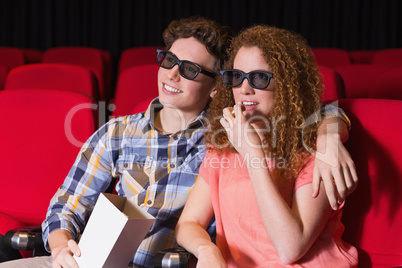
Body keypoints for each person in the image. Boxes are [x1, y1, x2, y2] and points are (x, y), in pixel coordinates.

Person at [0, 18, 356, 268]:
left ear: (216, 87)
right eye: (169, 60)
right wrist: (62, 247)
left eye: (189, 69)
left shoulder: (220, 137)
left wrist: (331, 132)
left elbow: (311, 109)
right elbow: (66, 205)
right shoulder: (118, 132)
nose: (171, 74)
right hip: (84, 260)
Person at [175, 24, 358, 267]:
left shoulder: (318, 150)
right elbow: (189, 223)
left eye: (260, 78)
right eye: (236, 77)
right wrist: (206, 249)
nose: (244, 89)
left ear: (287, 85)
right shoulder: (224, 145)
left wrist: (252, 153)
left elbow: (290, 248)